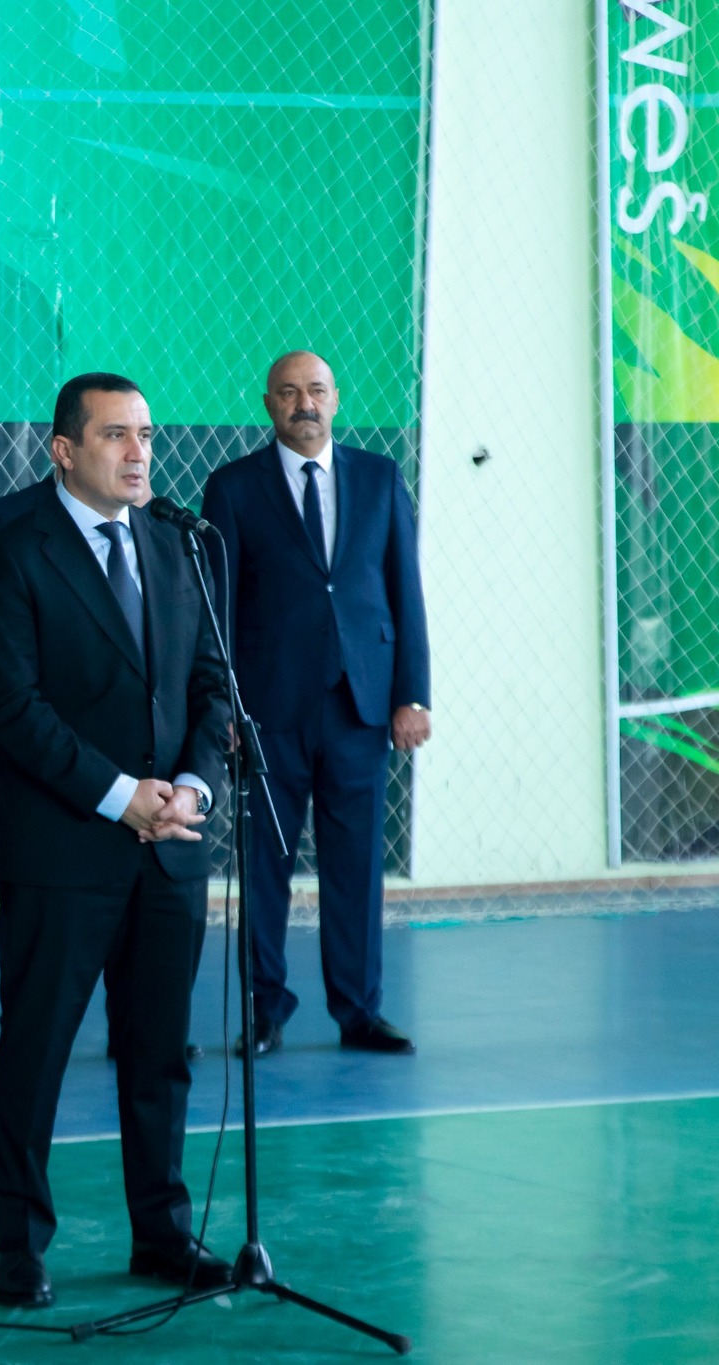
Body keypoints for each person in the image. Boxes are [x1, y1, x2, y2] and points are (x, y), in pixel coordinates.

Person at [0, 373, 232, 1308]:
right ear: (65, 449)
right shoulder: (11, 551)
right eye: (116, 435)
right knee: (36, 1052)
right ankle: (18, 1246)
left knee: (160, 1052)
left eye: (146, 435)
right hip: (64, 851)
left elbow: (210, 685)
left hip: (171, 848)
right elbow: (13, 707)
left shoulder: (175, 545)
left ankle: (162, 1233)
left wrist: (192, 786)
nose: (138, 452)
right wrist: (122, 798)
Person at [200, 350, 431, 1059]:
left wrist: (412, 694)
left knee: (356, 867)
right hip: (266, 713)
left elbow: (405, 590)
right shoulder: (233, 488)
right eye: (290, 392)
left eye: (317, 391)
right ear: (269, 403)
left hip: (361, 707)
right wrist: (224, 709)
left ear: (336, 399)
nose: (305, 403)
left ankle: (359, 1011)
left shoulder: (379, 477)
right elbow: (216, 610)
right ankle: (264, 1012)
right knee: (263, 868)